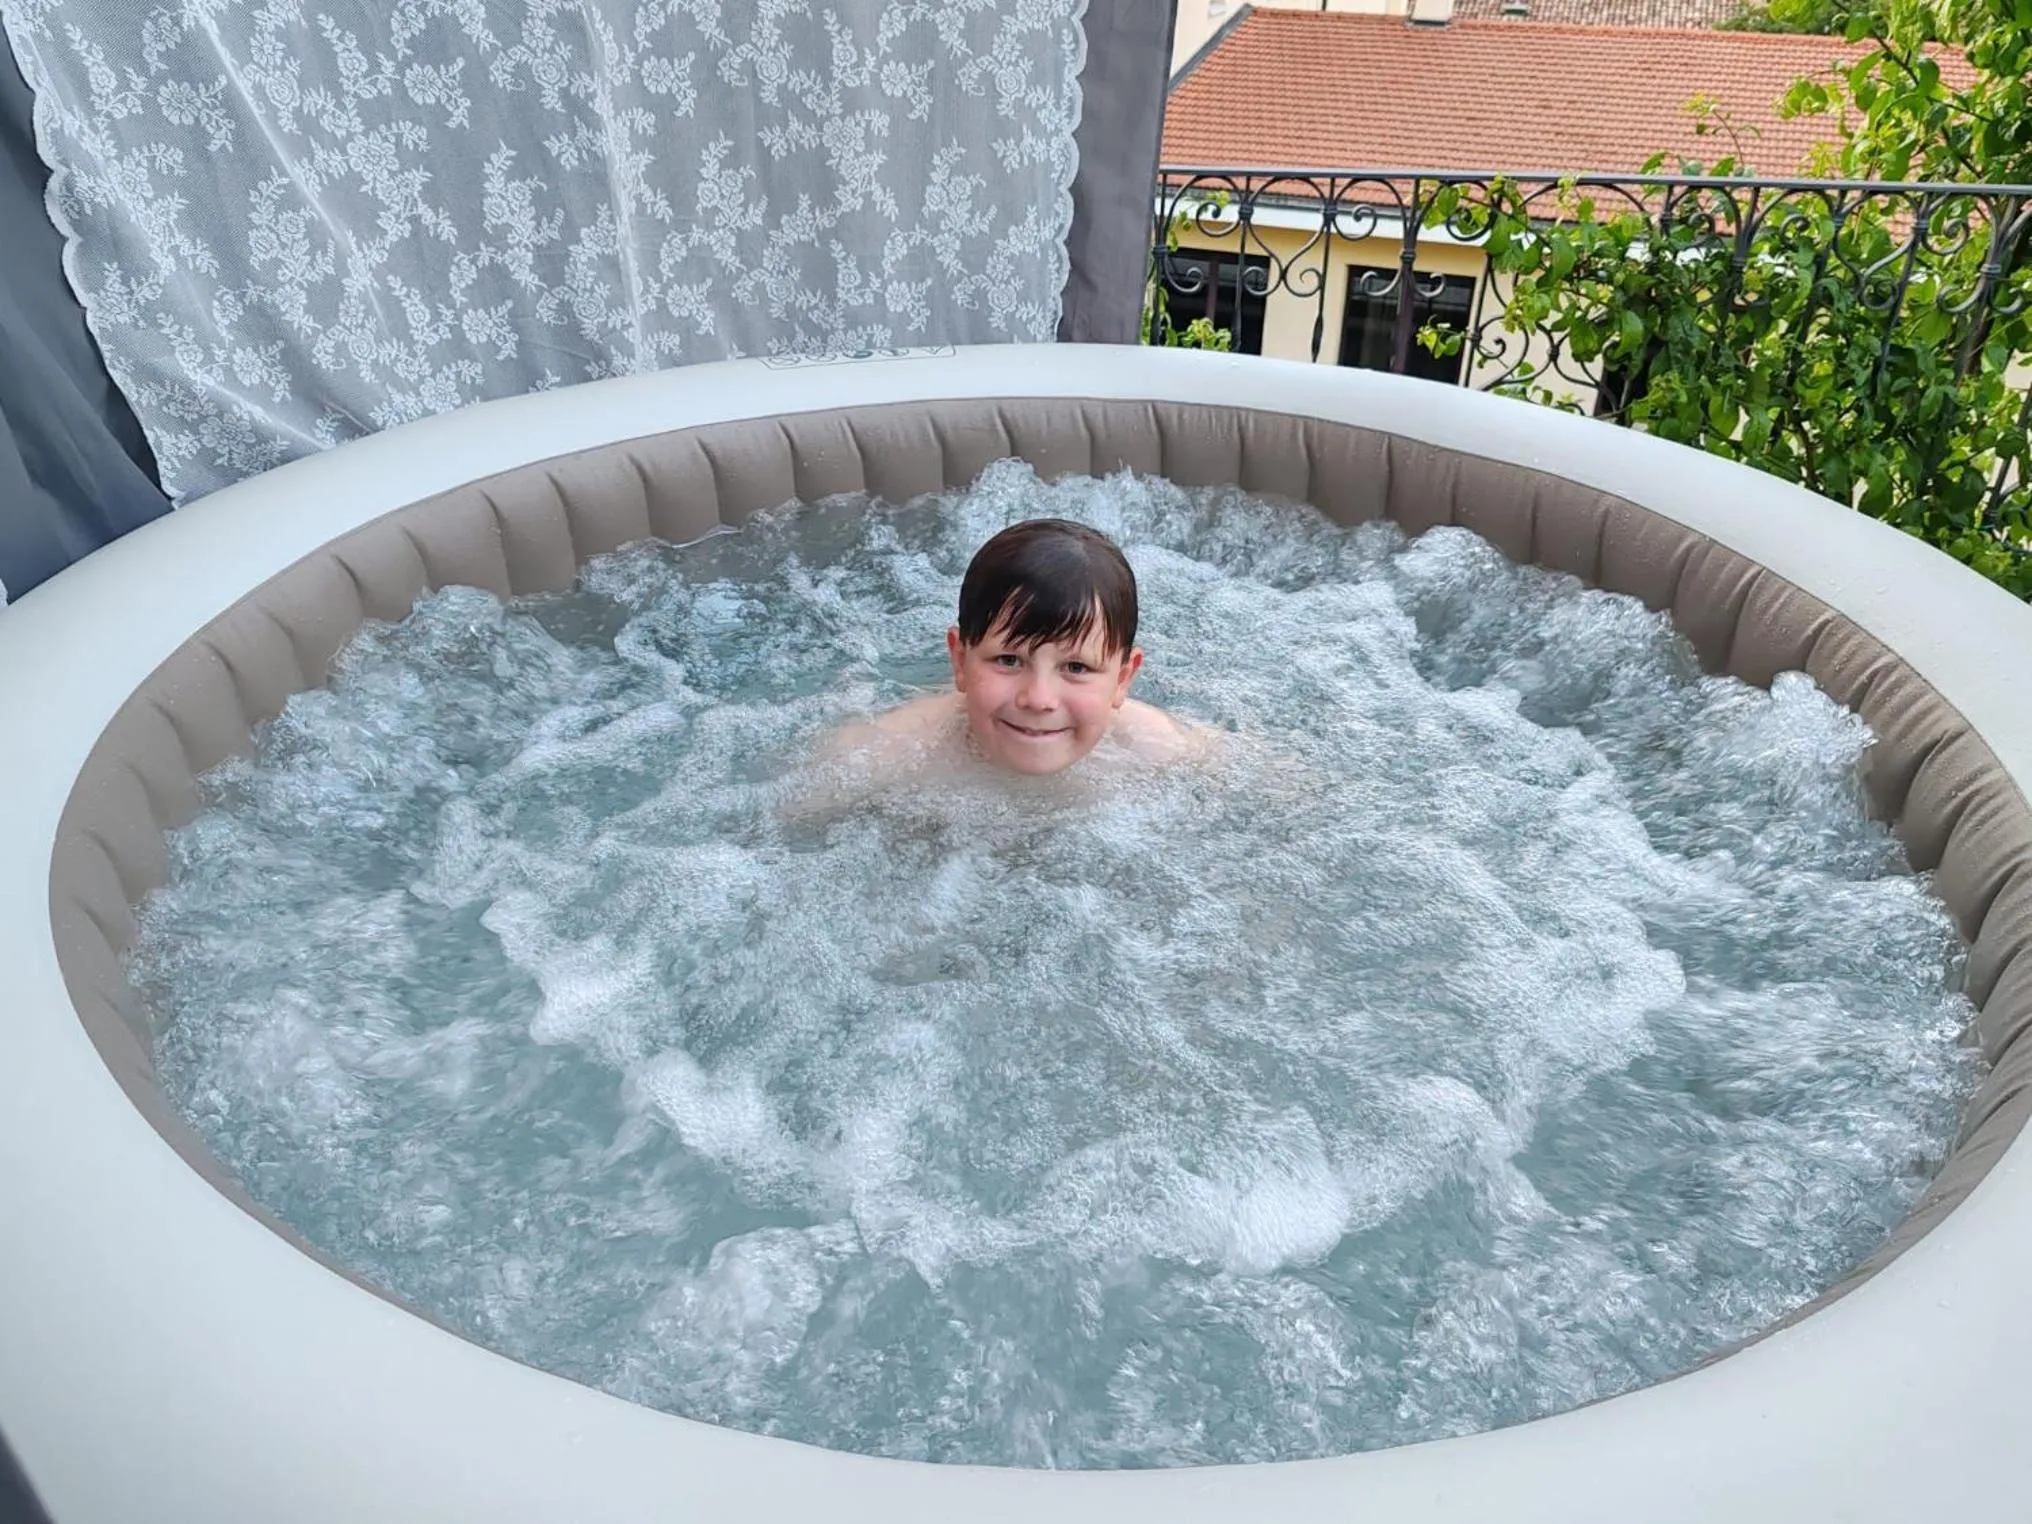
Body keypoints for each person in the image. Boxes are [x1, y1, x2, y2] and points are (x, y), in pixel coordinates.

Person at [809, 518, 1204, 792]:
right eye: (1009, 660)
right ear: (960, 662)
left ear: (1122, 678)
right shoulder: (884, 756)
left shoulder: (1164, 752)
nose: (1038, 698)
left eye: (1076, 667)